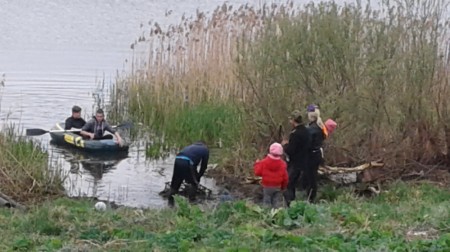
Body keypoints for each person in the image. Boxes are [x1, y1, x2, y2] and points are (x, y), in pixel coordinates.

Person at [281, 110, 311, 207]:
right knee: (294, 183)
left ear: (293, 121)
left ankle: (290, 203)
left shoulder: (295, 134)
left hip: (295, 162)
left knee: (289, 183)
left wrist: (285, 146)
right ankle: (295, 201)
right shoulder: (307, 131)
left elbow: (291, 150)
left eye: (290, 120)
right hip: (305, 161)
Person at [168, 141, 209, 206]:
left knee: (175, 183)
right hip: (188, 162)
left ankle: (170, 202)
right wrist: (198, 177)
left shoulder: (190, 146)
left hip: (177, 160)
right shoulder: (205, 149)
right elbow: (204, 166)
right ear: (205, 145)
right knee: (194, 183)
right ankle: (192, 201)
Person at [254, 142, 288, 209]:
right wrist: (283, 187)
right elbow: (285, 178)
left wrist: (257, 164)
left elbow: (257, 173)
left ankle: (266, 215)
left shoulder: (264, 162)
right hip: (277, 186)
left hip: (267, 186)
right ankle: (276, 214)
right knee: (276, 202)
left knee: (267, 200)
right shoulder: (283, 164)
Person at [305, 107, 326, 203]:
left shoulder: (311, 129)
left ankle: (310, 198)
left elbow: (307, 144)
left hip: (311, 155)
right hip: (317, 154)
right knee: (312, 176)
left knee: (311, 177)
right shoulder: (320, 126)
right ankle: (311, 197)